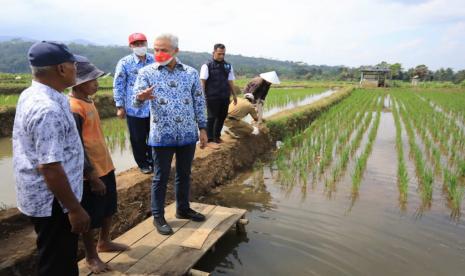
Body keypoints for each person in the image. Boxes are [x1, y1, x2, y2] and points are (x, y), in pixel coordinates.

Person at [12, 41, 90, 276]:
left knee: (59, 257)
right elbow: (50, 167)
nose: (76, 68)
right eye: (73, 64)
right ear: (61, 69)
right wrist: (74, 209)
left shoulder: (35, 94)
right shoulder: (47, 109)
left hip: (49, 198)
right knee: (58, 263)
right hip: (54, 203)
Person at [133, 33, 208, 235]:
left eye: (164, 49)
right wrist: (140, 98)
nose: (158, 53)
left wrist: (203, 128)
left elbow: (199, 102)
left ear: (176, 50)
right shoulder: (147, 72)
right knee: (160, 176)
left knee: (184, 174)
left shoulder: (191, 73)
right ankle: (158, 216)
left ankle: (182, 209)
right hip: (161, 135)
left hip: (187, 134)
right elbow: (135, 101)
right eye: (155, 49)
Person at [69, 60, 129, 273]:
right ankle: (90, 255)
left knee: (108, 208)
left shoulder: (88, 101)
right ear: (77, 83)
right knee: (91, 216)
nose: (95, 83)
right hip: (91, 173)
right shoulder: (74, 107)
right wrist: (91, 175)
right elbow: (76, 147)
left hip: (106, 166)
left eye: (95, 79)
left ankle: (104, 241)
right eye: (90, 80)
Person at [113, 33, 155, 174]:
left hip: (153, 106)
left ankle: (154, 161)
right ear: (131, 46)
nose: (140, 46)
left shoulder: (154, 60)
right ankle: (142, 163)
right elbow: (119, 85)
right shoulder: (124, 63)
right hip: (134, 108)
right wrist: (120, 106)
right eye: (136, 44)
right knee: (137, 138)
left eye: (142, 43)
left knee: (154, 135)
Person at [200, 43, 237, 146]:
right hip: (212, 96)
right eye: (219, 54)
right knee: (211, 117)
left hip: (225, 96)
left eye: (223, 54)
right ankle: (210, 139)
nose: (221, 56)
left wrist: (234, 95)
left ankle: (217, 137)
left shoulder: (227, 65)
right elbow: (202, 82)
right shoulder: (207, 65)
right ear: (213, 53)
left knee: (222, 116)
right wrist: (202, 96)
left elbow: (230, 81)